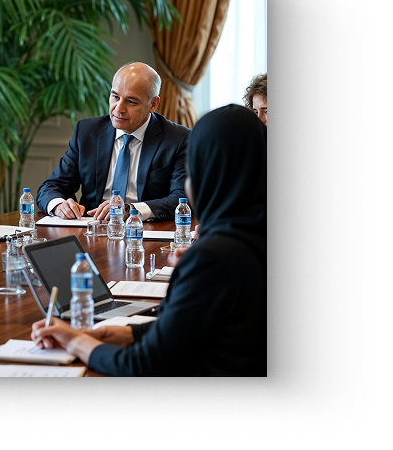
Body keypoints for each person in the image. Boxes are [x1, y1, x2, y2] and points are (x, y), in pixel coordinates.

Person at [31, 104, 266, 377]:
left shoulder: (214, 256)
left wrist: (75, 342)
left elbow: (141, 364)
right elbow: (195, 325)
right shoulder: (252, 235)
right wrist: (121, 333)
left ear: (210, 174)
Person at [36, 62, 190, 222]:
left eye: (131, 102)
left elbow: (182, 198)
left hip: (144, 230)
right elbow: (52, 186)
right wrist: (59, 205)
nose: (118, 109)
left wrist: (131, 209)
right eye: (115, 97)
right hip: (93, 227)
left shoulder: (178, 139)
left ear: (153, 104)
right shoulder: (87, 132)